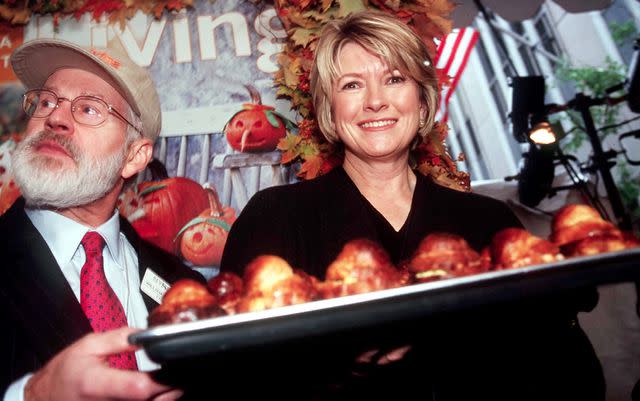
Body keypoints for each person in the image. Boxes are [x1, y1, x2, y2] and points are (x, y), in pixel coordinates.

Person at [221, 9, 604, 401]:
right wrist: (331, 363)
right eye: (352, 85)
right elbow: (231, 376)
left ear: (422, 105)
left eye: (394, 79)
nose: (375, 101)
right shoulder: (276, 220)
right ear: (329, 115)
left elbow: (571, 375)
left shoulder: (489, 223)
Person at [0, 39, 204, 401]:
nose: (55, 118)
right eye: (46, 101)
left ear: (134, 156)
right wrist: (32, 396)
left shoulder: (182, 287)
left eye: (90, 109)